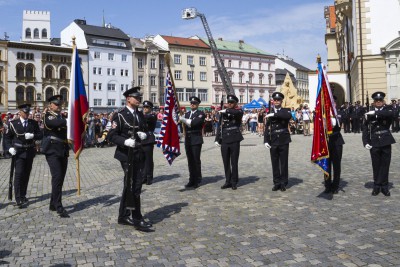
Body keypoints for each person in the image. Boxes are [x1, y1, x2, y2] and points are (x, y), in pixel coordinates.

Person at [107, 86, 153, 231]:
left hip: (138, 152)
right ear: (128, 99)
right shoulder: (120, 115)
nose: (139, 99)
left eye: (139, 97)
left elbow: (144, 130)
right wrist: (125, 141)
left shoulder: (139, 115)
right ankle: (137, 218)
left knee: (130, 184)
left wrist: (144, 135)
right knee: (135, 184)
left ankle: (123, 215)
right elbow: (111, 135)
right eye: (136, 97)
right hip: (126, 154)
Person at [4, 104, 42, 208]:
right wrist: (9, 148)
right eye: (24, 112)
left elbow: (40, 135)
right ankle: (18, 198)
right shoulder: (13, 123)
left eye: (27, 112)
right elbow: (7, 137)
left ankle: (23, 195)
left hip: (29, 151)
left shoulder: (33, 123)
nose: (26, 114)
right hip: (19, 152)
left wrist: (33, 135)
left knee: (26, 174)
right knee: (19, 175)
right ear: (20, 112)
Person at [363, 91, 396, 196]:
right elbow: (365, 129)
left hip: (386, 140)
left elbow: (393, 114)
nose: (378, 102)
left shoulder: (388, 110)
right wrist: (365, 141)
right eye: (376, 101)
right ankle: (377, 186)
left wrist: (376, 113)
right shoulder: (368, 113)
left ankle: (385, 187)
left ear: (383, 101)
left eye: (380, 100)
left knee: (385, 164)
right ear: (373, 102)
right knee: (376, 164)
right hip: (374, 141)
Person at [42, 95, 70, 218]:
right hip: (52, 150)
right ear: (50, 105)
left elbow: (63, 127)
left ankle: (53, 203)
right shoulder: (48, 116)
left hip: (63, 150)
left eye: (59, 104)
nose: (58, 106)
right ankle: (59, 206)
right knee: (57, 176)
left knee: (60, 178)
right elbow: (55, 123)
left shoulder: (62, 117)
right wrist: (67, 121)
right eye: (56, 104)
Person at [264, 92, 292, 192]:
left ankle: (284, 182)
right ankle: (276, 182)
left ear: (281, 101)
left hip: (283, 139)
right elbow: (267, 127)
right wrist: (266, 140)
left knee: (283, 162)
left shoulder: (286, 110)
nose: (276, 101)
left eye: (278, 100)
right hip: (273, 139)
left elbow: (287, 116)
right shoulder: (269, 112)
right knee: (274, 162)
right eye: (275, 100)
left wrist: (274, 114)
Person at [215, 95, 244, 190]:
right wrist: (217, 138)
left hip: (234, 138)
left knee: (234, 162)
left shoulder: (238, 111)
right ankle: (228, 180)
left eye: (232, 102)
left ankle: (234, 181)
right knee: (226, 161)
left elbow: (237, 113)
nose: (229, 104)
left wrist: (226, 110)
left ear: (236, 103)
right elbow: (220, 125)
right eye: (229, 102)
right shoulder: (224, 113)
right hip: (225, 139)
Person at [179, 96, 206, 189]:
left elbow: (194, 123)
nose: (192, 104)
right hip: (188, 139)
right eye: (191, 103)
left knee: (196, 160)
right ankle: (191, 179)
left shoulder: (201, 114)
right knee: (190, 160)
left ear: (198, 104)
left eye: (194, 103)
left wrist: (184, 120)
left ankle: (198, 179)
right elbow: (179, 122)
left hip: (196, 138)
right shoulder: (186, 114)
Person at [324, 97, 345, 194]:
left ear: (335, 104)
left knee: (337, 165)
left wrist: (333, 117)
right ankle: (327, 186)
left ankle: (335, 185)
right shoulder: (323, 114)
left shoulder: (339, 113)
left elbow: (340, 124)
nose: (332, 105)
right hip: (326, 141)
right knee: (326, 165)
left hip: (337, 141)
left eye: (333, 103)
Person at [141, 100, 157, 185]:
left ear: (150, 108)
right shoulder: (141, 115)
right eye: (144, 107)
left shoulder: (152, 116)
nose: (145, 109)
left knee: (148, 160)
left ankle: (149, 177)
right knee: (142, 160)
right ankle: (143, 177)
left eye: (147, 107)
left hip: (148, 139)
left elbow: (147, 118)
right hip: (141, 140)